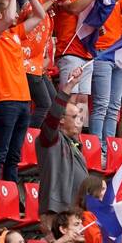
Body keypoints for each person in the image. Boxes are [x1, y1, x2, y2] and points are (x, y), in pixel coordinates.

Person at [0, 0, 49, 184]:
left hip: (23, 99)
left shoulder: (15, 33)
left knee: (14, 155)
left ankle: (10, 194)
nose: (14, 12)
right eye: (8, 8)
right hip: (6, 99)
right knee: (1, 151)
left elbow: (40, 15)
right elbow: (8, 17)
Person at [37, 66, 91, 224]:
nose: (78, 121)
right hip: (57, 213)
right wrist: (69, 86)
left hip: (74, 212)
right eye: (73, 117)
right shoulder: (50, 139)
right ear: (60, 119)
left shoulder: (74, 143)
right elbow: (53, 114)